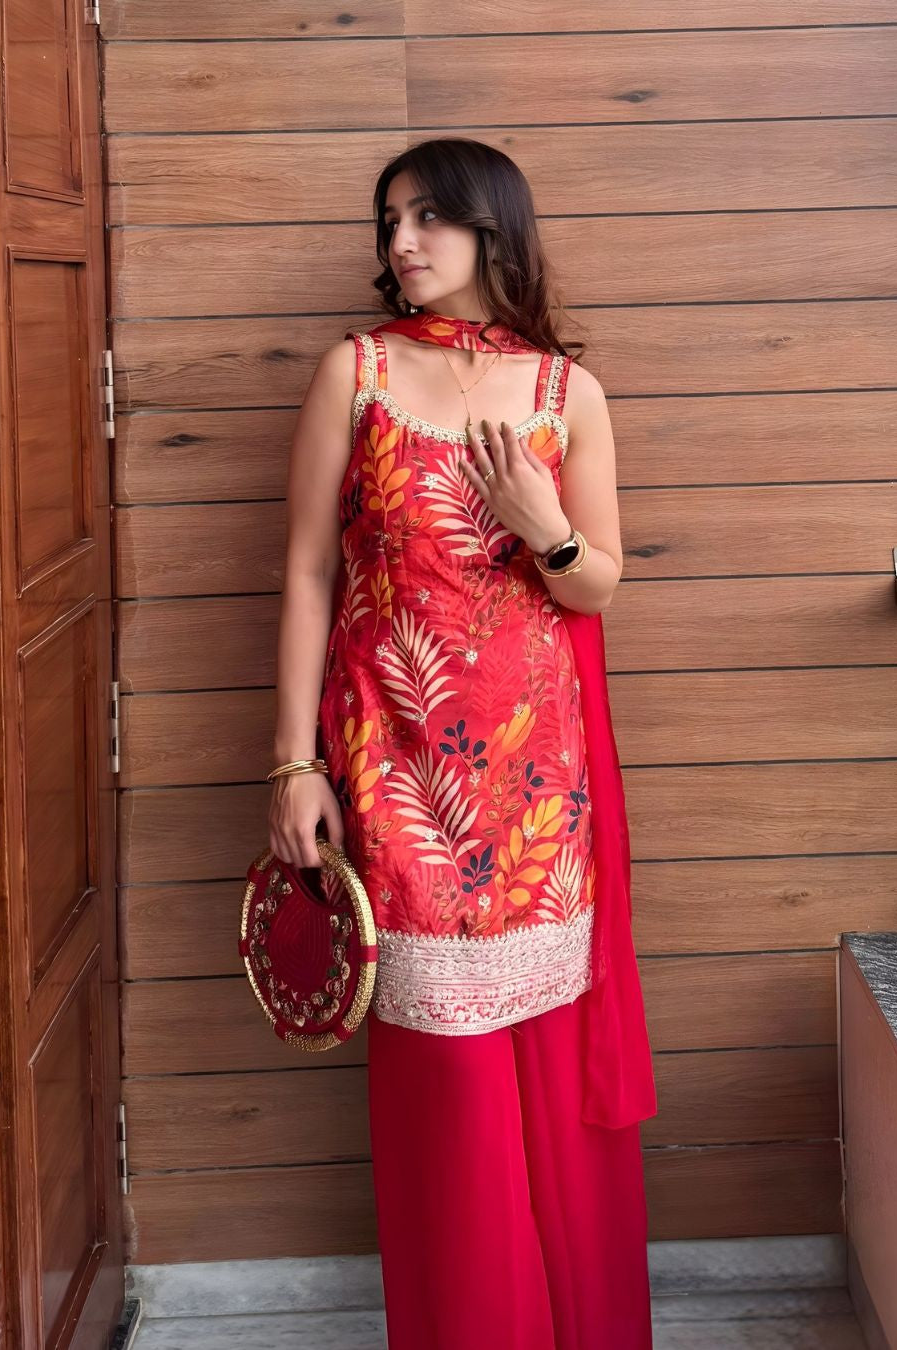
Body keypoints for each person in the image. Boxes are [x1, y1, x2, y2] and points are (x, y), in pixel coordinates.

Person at [268, 136, 658, 1350]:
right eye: (389, 220)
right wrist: (293, 763)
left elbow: (595, 584)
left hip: (539, 793)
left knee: (546, 1073)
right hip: (394, 775)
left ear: (494, 227)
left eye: (429, 216)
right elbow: (308, 571)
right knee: (449, 1088)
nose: (401, 242)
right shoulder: (358, 372)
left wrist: (543, 525)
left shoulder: (566, 395)